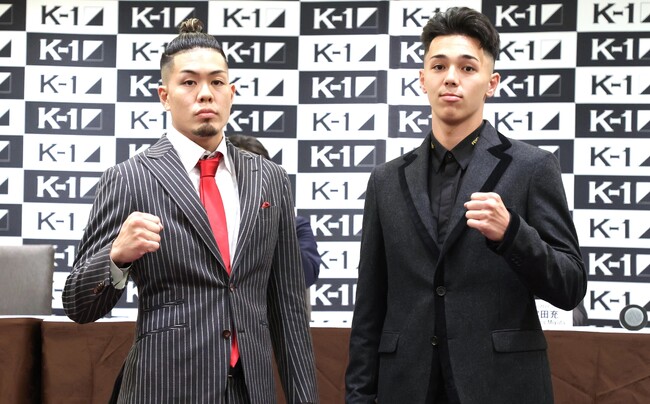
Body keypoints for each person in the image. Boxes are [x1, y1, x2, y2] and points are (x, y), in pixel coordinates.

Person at [63, 18, 318, 404]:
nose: (205, 94)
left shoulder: (270, 179)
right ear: (164, 96)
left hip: (250, 390)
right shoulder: (129, 178)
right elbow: (78, 305)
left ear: (231, 92)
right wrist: (115, 257)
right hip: (163, 388)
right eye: (189, 82)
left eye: (217, 82)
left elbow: (288, 307)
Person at [345, 7, 587, 404]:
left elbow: (570, 286)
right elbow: (370, 304)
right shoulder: (386, 180)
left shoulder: (532, 167)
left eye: (467, 68)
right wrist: (358, 396)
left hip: (501, 386)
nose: (451, 78)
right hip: (406, 386)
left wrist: (512, 233)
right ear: (422, 79)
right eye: (439, 66)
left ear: (492, 83)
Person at [227, 134, 322, 292]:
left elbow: (307, 276)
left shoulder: (296, 225)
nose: (247, 182)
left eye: (256, 174)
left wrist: (277, 220)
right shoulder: (207, 221)